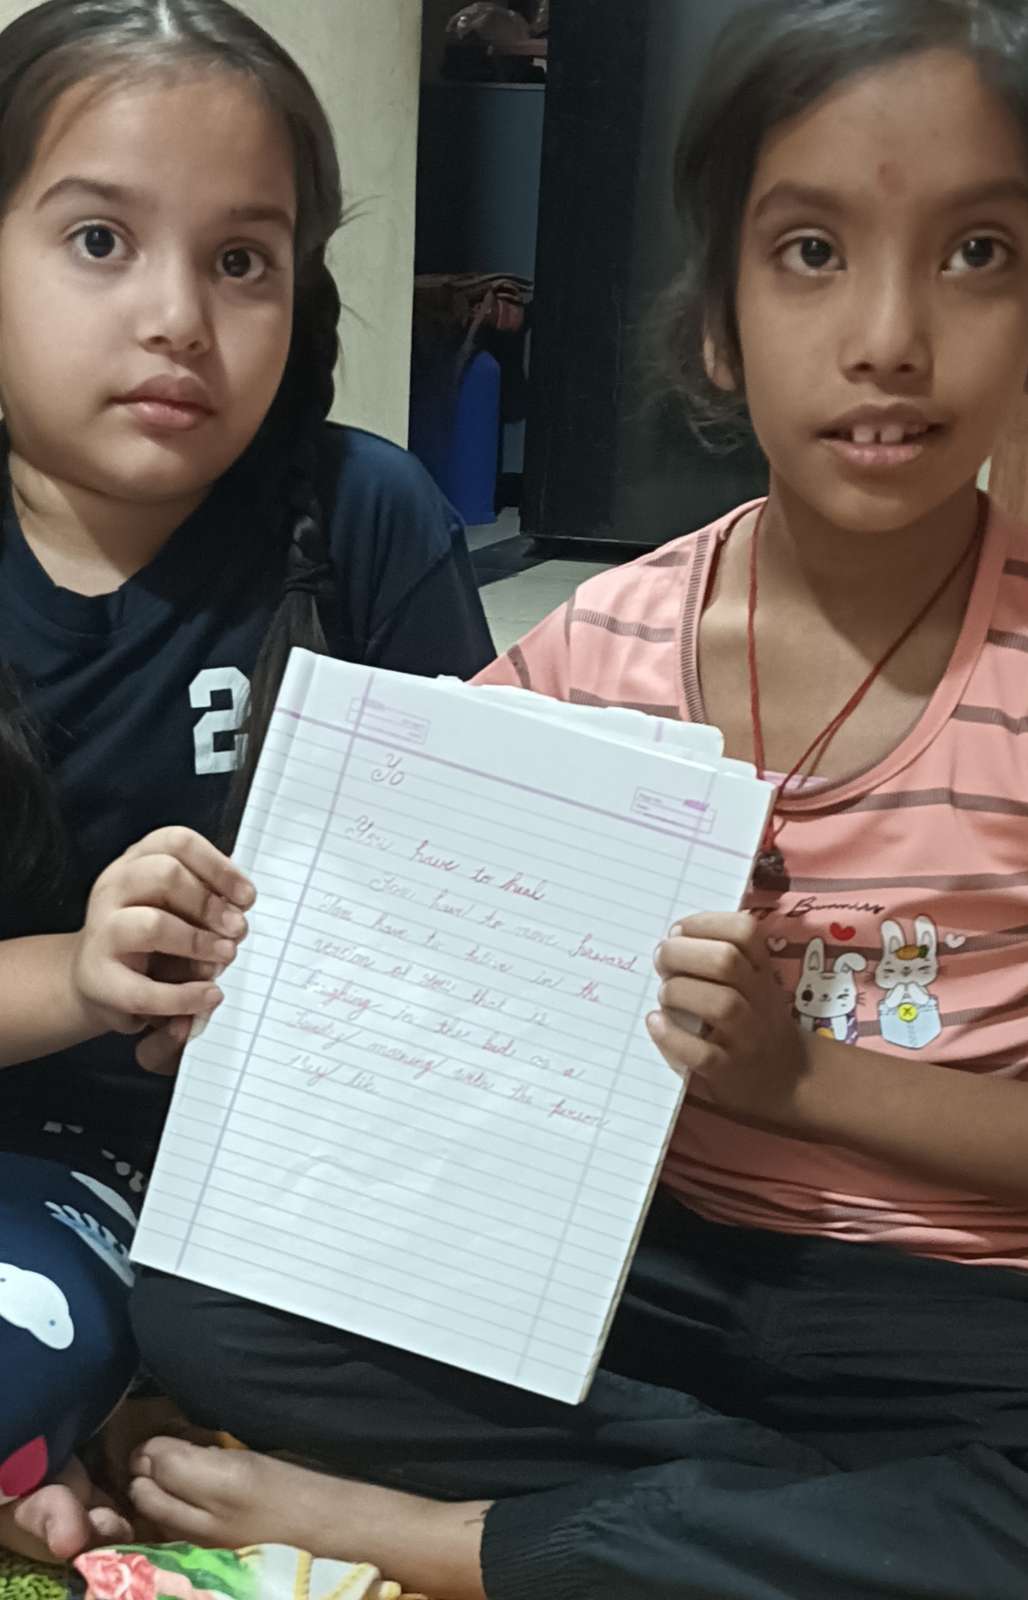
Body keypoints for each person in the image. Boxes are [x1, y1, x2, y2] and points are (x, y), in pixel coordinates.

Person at [129, 1, 1028, 1596]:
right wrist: (244, 987)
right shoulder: (601, 648)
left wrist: (803, 1080)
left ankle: (477, 1538)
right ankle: (812, 1526)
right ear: (719, 325)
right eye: (811, 251)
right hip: (635, 1263)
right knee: (207, 1301)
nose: (891, 333)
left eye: (977, 253)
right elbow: (397, 936)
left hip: (960, 1308)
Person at [0, 0, 493, 1567]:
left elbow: (478, 926)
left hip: (303, 1169)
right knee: (30, 1336)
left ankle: (94, 1424)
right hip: (34, 1151)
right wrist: (83, 978)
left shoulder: (366, 517)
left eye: (241, 259)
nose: (177, 317)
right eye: (98, 240)